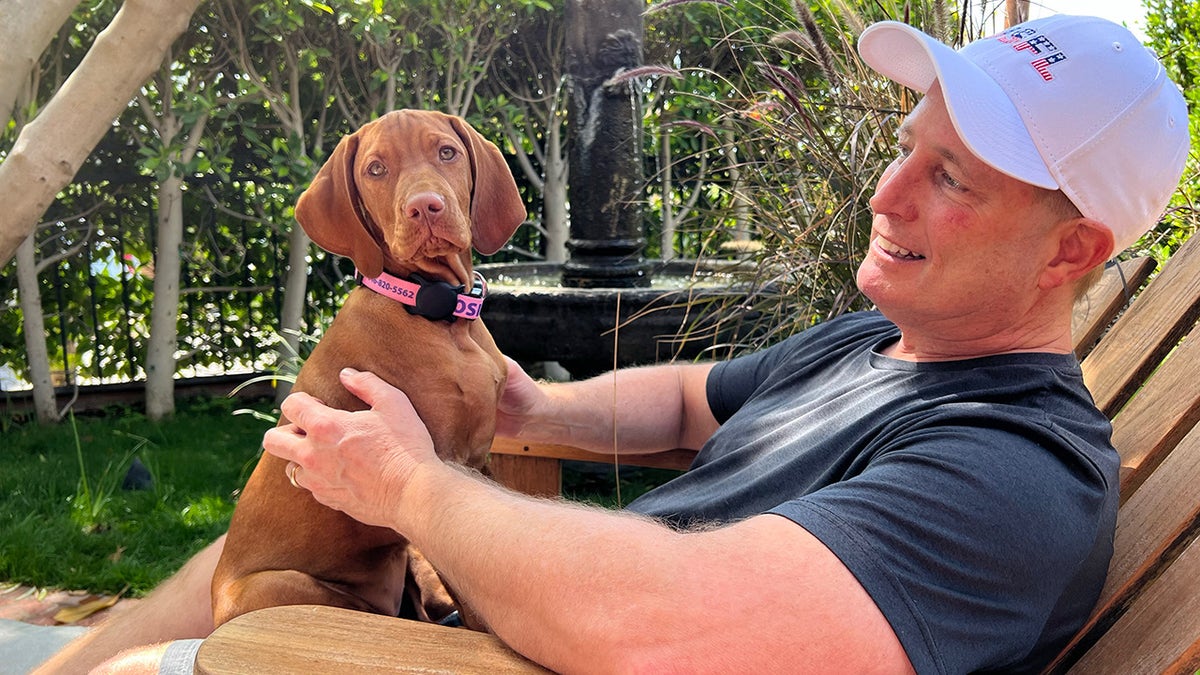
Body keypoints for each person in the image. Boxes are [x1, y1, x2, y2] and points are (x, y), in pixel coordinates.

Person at [36, 13, 1188, 674]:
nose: (886, 195)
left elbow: (663, 634)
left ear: (1070, 252)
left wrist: (410, 487)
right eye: (904, 146)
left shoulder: (1009, 472)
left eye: (949, 179)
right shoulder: (873, 346)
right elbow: (692, 403)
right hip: (519, 610)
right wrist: (535, 414)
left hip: (529, 657)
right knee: (257, 531)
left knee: (236, 635)